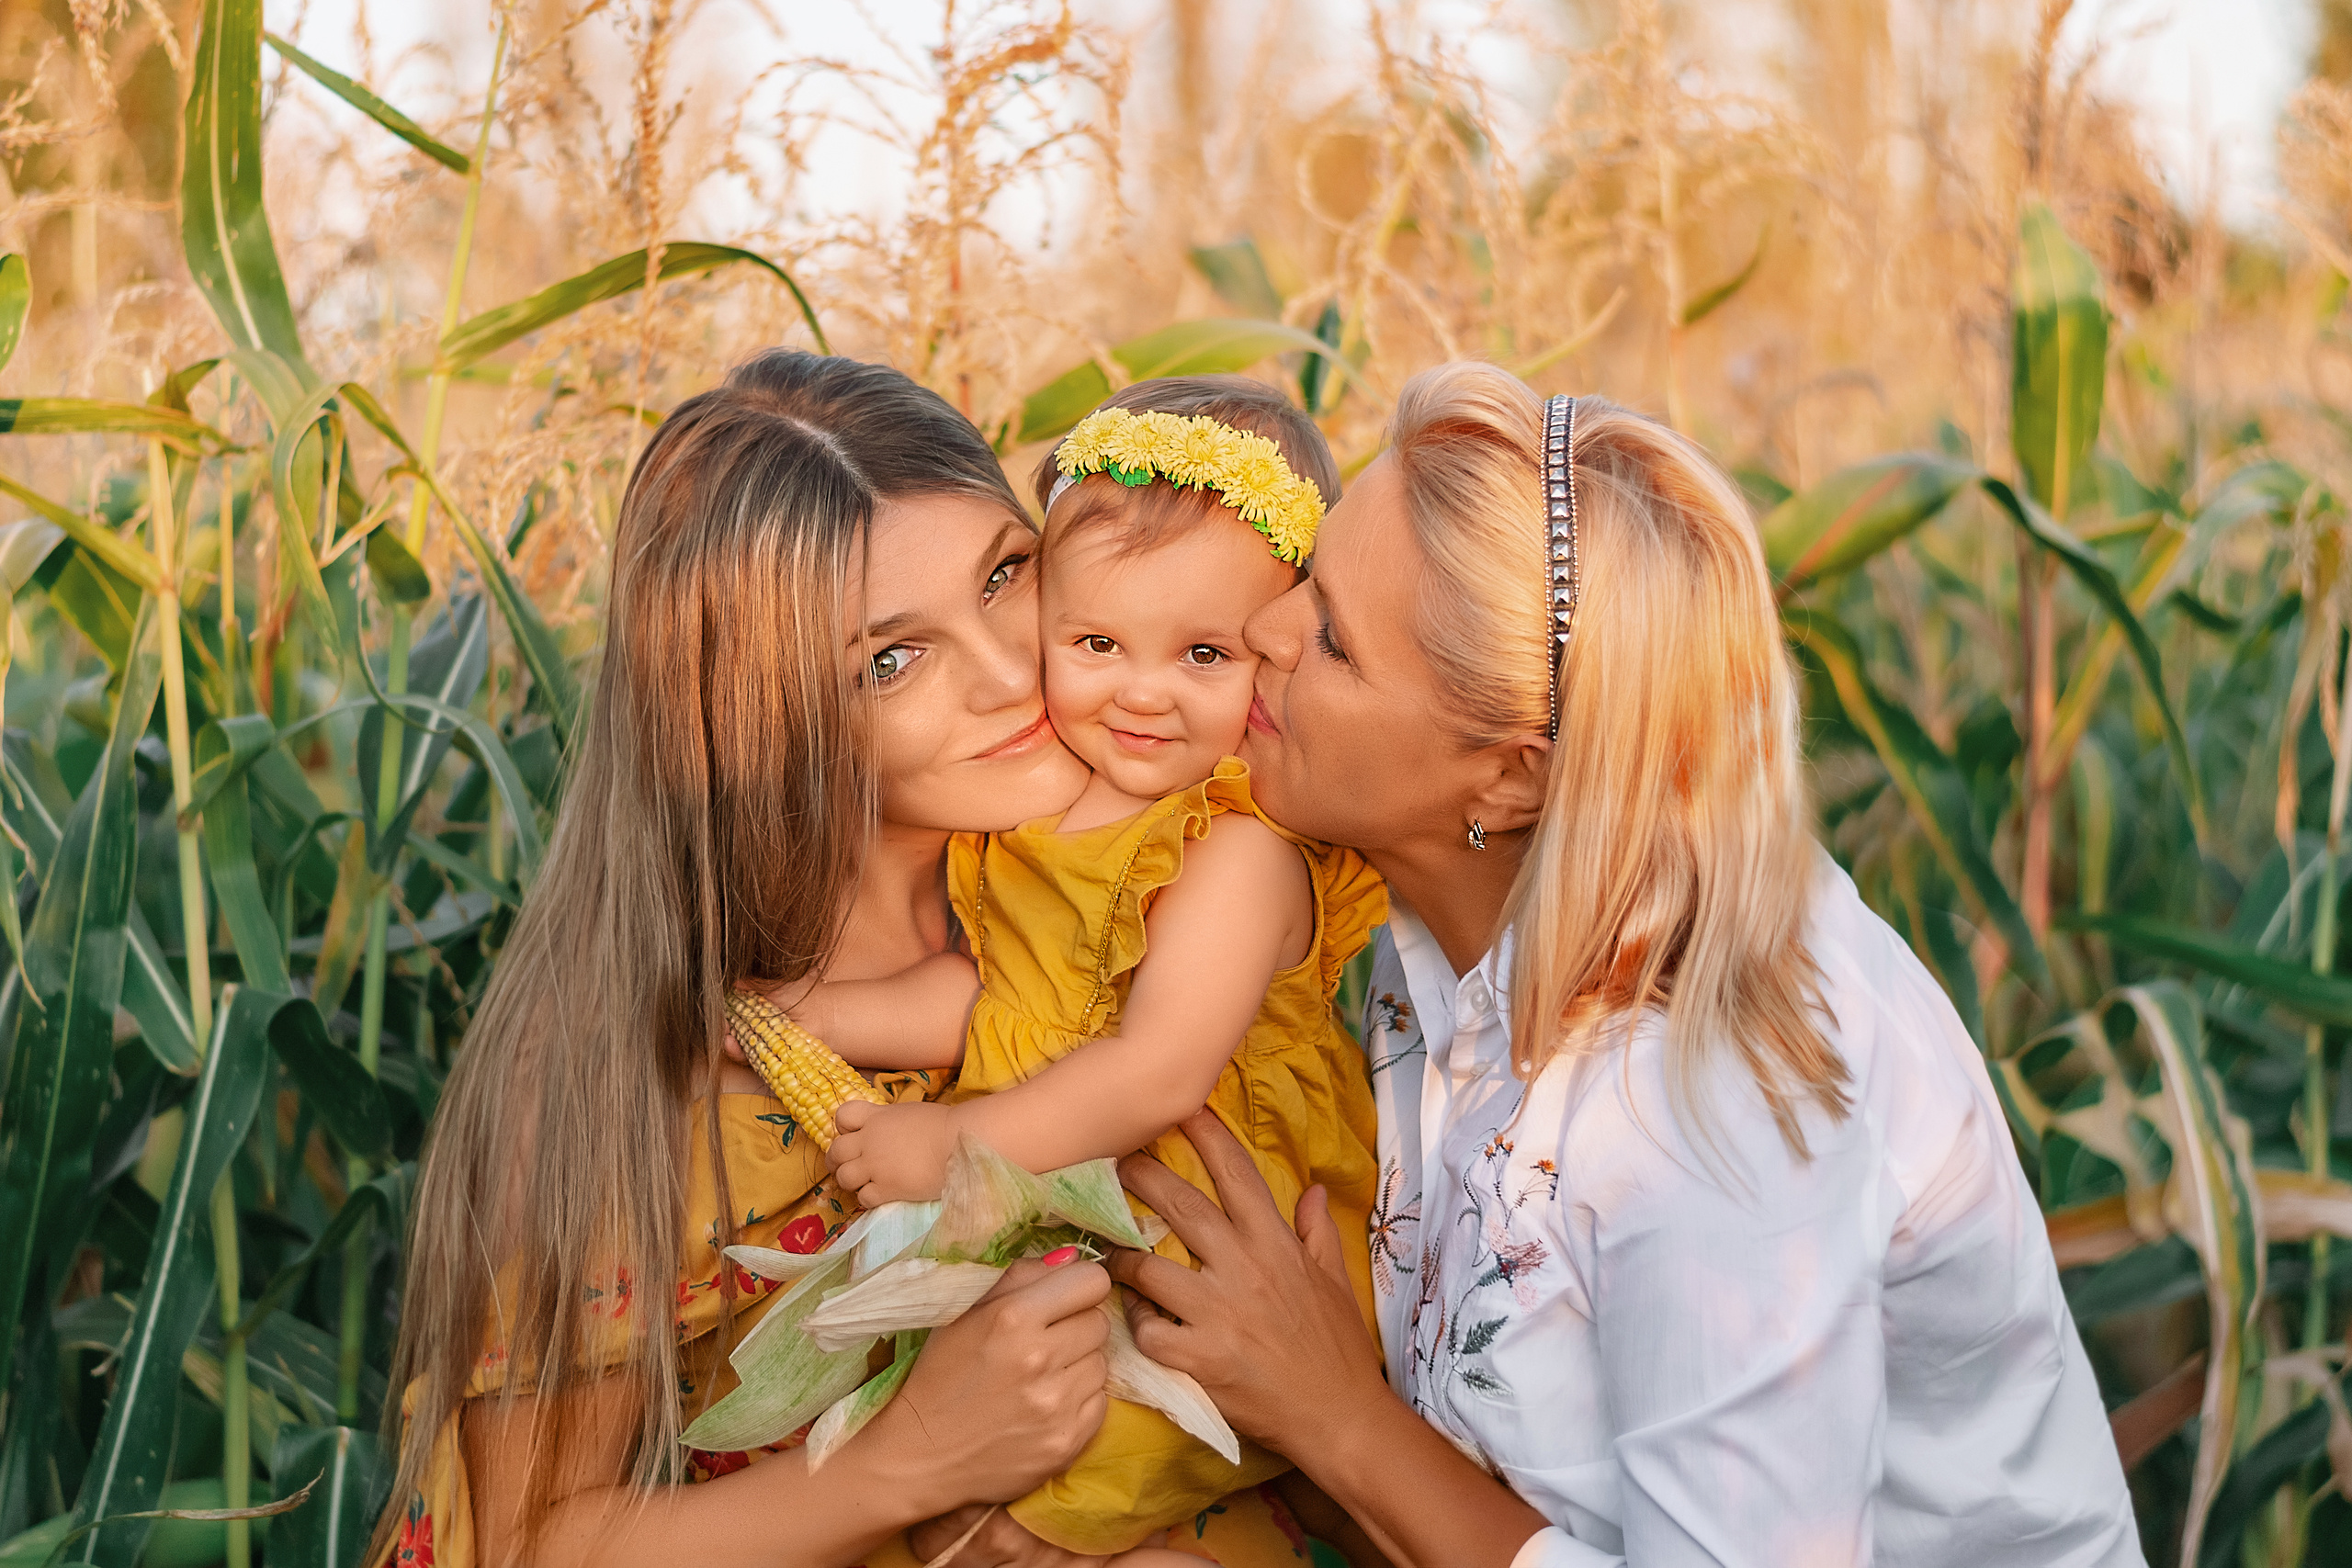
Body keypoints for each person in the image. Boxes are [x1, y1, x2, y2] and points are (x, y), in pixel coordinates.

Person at [1106, 363, 2145, 1567]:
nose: (1263, 630)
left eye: (1332, 639)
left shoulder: (1717, 1116)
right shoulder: (1422, 920)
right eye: (1308, 581)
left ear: (1513, 775)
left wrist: (1336, 1419)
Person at [370, 351, 1120, 1568]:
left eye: (1005, 574)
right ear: (752, 726)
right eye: (891, 659)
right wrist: (911, 1463)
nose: (1005, 675)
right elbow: (524, 1544)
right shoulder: (636, 1073)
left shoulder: (1155, 885)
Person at [755, 377, 1385, 1562]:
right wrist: (794, 1011)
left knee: (1066, 1489)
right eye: (1098, 643)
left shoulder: (1236, 846)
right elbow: (999, 1001)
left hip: (1198, 1239)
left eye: (1205, 653)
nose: (1143, 693)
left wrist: (952, 1146)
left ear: (1280, 645)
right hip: (1075, 1200)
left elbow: (1154, 1073)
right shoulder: (1036, 829)